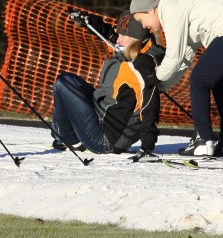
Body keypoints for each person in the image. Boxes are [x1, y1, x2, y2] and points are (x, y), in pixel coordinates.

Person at [130, 0, 223, 157]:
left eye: (141, 19)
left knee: (198, 80)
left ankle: (203, 141)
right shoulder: (182, 6)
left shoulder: (172, 9)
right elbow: (183, 59)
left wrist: (151, 80)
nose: (144, 26)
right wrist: (161, 87)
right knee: (220, 82)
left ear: (151, 9)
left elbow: (174, 57)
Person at [51, 11, 163, 160]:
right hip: (100, 117)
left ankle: (68, 139)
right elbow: (111, 34)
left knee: (63, 84)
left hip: (105, 140)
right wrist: (89, 21)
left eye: (123, 36)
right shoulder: (129, 51)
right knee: (70, 81)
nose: (118, 40)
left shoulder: (140, 67)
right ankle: (69, 137)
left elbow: (150, 106)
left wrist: (147, 146)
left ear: (136, 39)